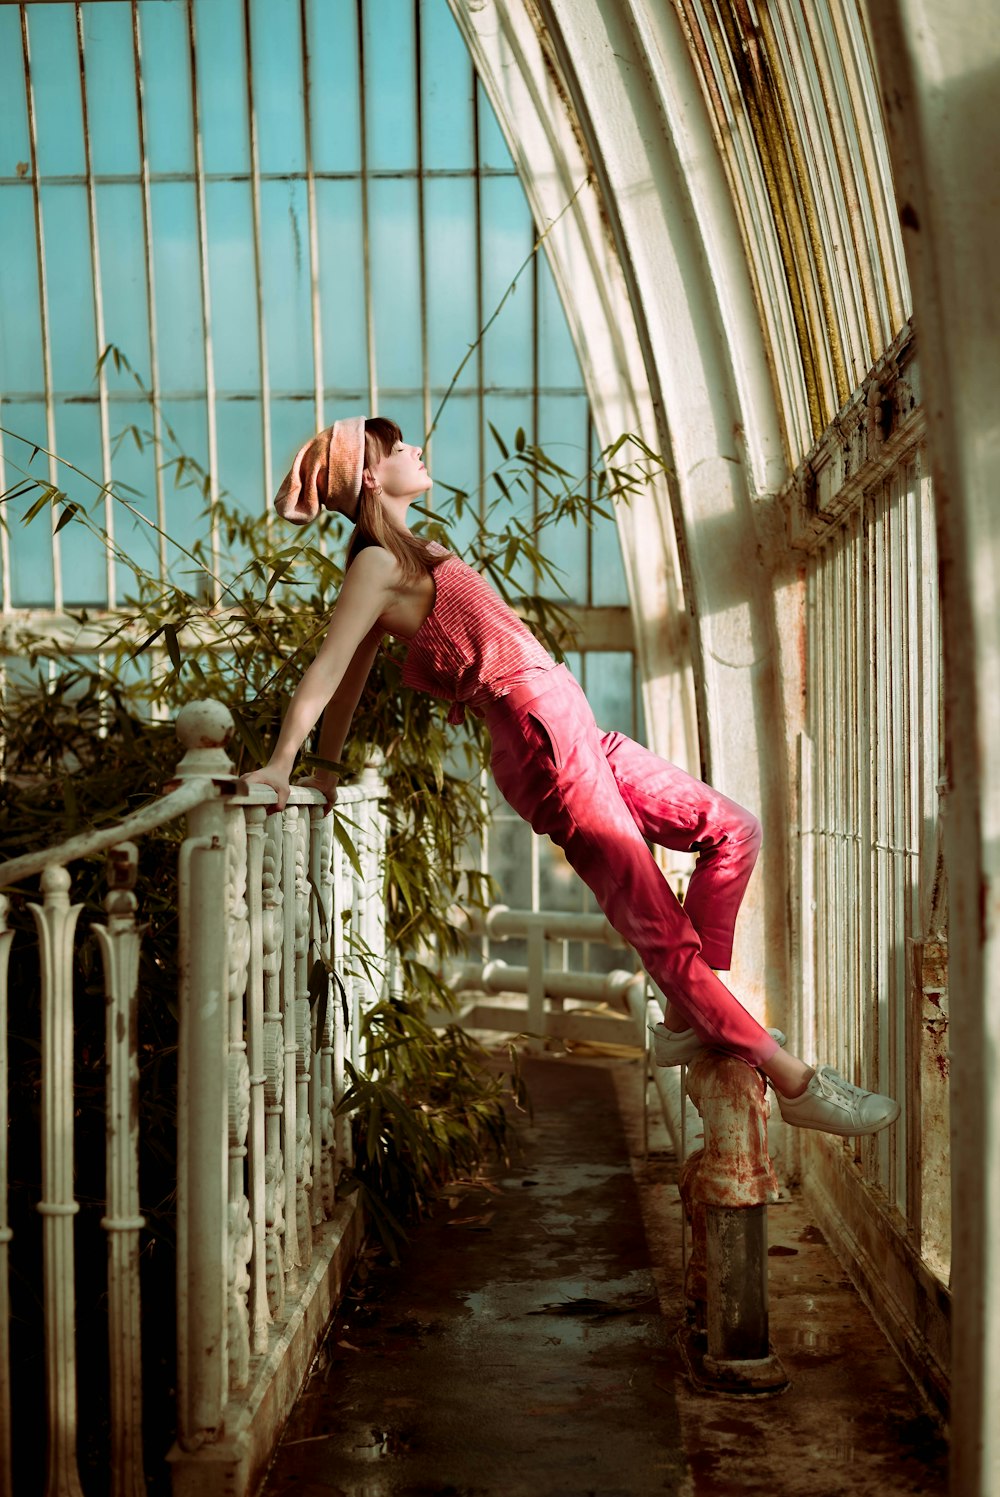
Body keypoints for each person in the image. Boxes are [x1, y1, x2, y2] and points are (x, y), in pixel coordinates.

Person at [241, 415, 899, 1139]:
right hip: (541, 742)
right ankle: (795, 1080)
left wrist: (329, 769)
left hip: (572, 725)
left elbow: (351, 680)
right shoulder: (373, 567)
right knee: (660, 933)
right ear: (370, 478)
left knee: (733, 828)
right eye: (397, 450)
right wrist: (286, 764)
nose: (416, 450)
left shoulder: (415, 551)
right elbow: (336, 671)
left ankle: (688, 1011)